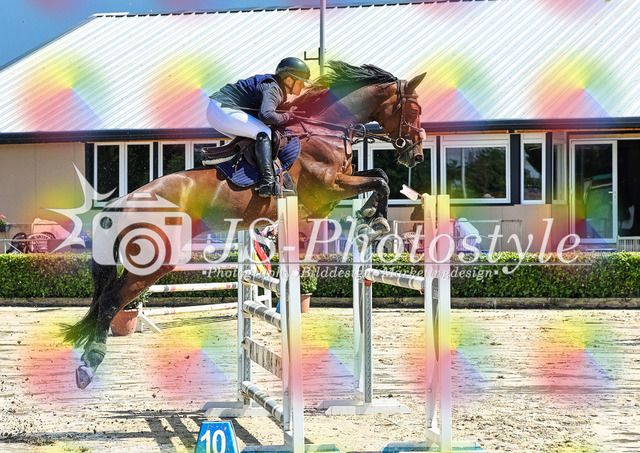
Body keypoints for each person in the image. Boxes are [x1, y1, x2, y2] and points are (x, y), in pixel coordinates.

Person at [207, 57, 311, 197]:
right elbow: (266, 115)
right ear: (288, 80)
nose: (303, 86)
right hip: (222, 108)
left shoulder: (276, 87)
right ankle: (267, 182)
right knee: (264, 132)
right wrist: (287, 116)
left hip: (220, 110)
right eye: (300, 82)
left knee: (259, 136)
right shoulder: (273, 88)